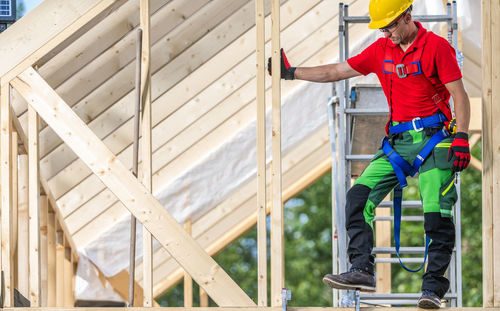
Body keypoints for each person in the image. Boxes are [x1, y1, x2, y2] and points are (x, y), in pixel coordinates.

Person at [268, 0, 470, 309]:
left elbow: (459, 94)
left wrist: (462, 138)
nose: (387, 33)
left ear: (407, 16)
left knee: (436, 214)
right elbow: (336, 71)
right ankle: (361, 268)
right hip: (398, 141)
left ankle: (432, 290)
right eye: (383, 28)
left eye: (390, 25)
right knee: (357, 197)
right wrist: (291, 72)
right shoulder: (380, 50)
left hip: (435, 138)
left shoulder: (436, 47)